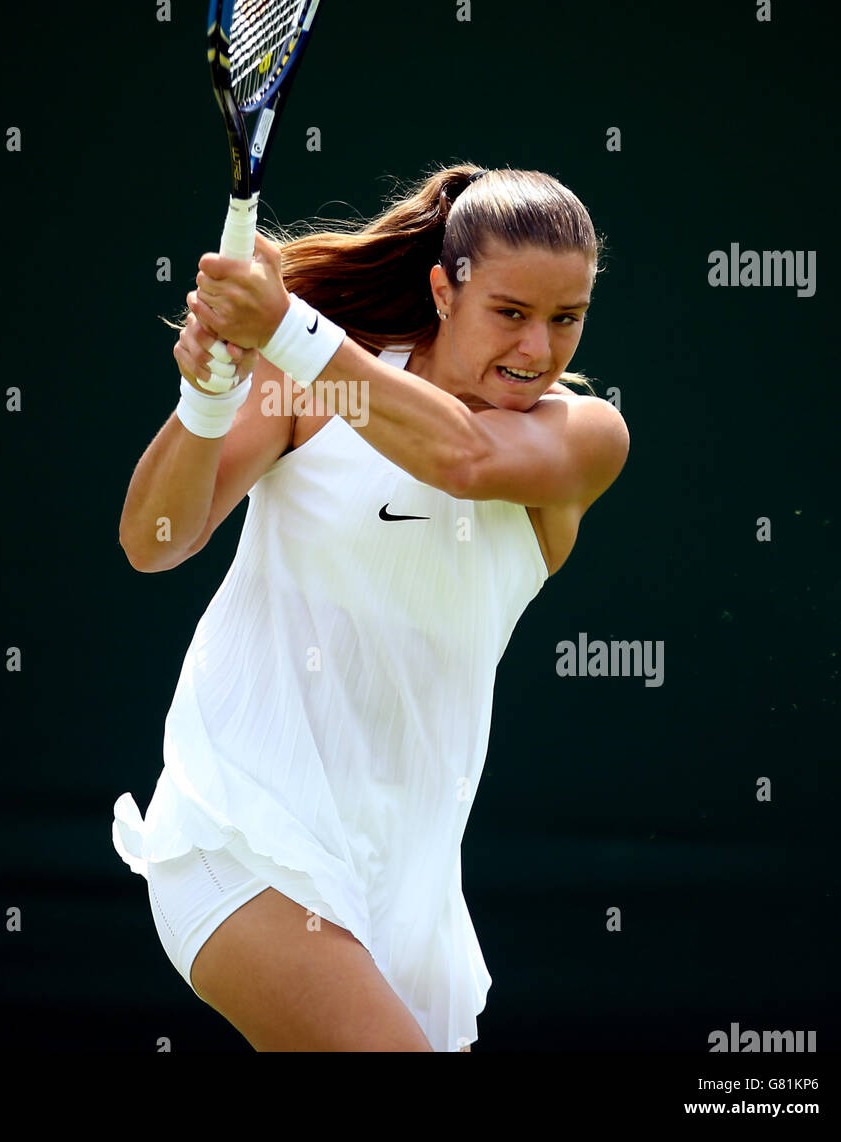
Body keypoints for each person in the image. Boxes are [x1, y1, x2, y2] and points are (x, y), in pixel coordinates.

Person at [112, 163, 629, 1052]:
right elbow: (155, 540)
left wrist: (286, 328)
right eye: (510, 312)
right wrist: (204, 401)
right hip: (238, 838)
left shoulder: (583, 437)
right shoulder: (307, 384)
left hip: (402, 900)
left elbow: (460, 457)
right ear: (443, 287)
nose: (538, 350)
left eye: (565, 318)